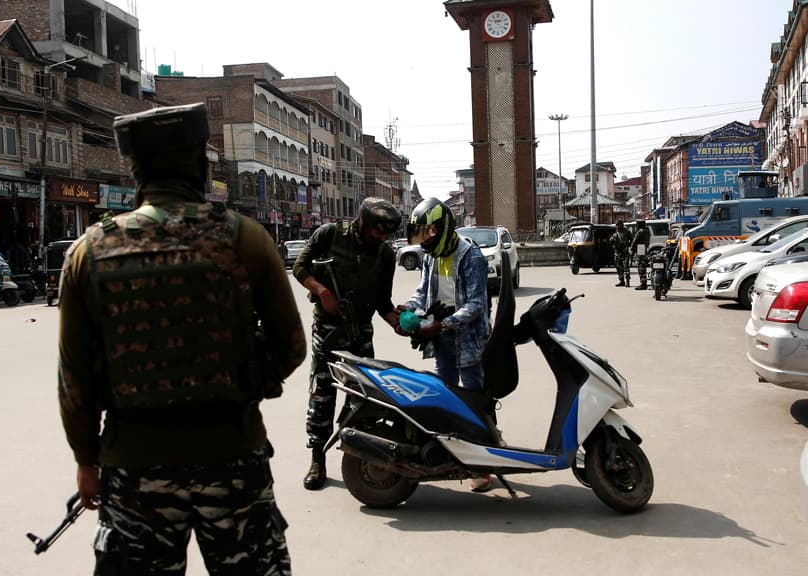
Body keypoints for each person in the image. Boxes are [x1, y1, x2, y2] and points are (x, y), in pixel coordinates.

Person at [57, 103, 306, 575]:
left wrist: (86, 461)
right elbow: (292, 345)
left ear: (134, 169)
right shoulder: (245, 238)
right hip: (232, 456)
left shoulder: (89, 251)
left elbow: (74, 380)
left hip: (134, 465)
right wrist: (246, 382)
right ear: (199, 164)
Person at [292, 196, 404, 491]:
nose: (382, 238)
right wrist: (322, 291)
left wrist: (397, 322)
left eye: (387, 234)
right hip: (327, 334)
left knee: (364, 399)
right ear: (363, 222)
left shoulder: (385, 256)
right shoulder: (329, 235)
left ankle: (358, 454)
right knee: (322, 396)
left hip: (360, 335)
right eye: (378, 231)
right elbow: (300, 268)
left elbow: (383, 302)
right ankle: (318, 459)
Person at [401, 198, 492, 491]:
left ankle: (484, 461)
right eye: (421, 234)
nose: (425, 240)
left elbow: (477, 305)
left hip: (470, 340)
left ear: (443, 228)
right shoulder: (430, 256)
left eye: (428, 233)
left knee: (474, 399)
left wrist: (441, 324)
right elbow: (423, 291)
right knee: (447, 397)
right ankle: (456, 455)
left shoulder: (471, 256)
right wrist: (409, 309)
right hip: (442, 339)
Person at [610, 220, 633, 287]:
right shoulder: (616, 232)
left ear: (621, 225)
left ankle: (627, 281)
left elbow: (632, 240)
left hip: (624, 251)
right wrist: (612, 239)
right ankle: (621, 281)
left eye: (618, 225)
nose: (617, 226)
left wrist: (629, 246)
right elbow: (612, 239)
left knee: (626, 267)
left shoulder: (626, 231)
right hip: (617, 252)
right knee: (618, 267)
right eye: (616, 225)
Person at [631, 219, 651, 290]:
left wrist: (631, 250)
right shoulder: (647, 231)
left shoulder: (640, 231)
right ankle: (644, 282)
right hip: (644, 248)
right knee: (643, 266)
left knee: (640, 266)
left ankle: (643, 283)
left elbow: (634, 241)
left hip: (640, 248)